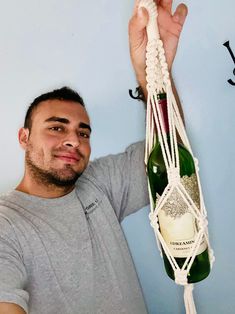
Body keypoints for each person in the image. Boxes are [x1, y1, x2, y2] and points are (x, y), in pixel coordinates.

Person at [0, 1, 187, 313]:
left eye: (83, 132)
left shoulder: (99, 184)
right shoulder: (7, 223)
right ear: (24, 138)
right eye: (57, 128)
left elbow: (171, 157)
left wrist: (155, 74)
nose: (74, 139)